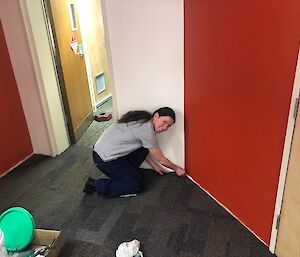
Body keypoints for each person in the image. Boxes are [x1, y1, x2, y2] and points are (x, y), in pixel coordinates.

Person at [83, 107, 186, 197]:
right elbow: (161, 159)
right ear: (156, 116)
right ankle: (95, 185)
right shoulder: (147, 132)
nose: (164, 128)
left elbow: (146, 148)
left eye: (168, 126)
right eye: (164, 122)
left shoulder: (143, 120)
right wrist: (176, 168)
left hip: (103, 151)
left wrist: (154, 165)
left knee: (145, 148)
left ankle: (126, 174)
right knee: (137, 185)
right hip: (104, 160)